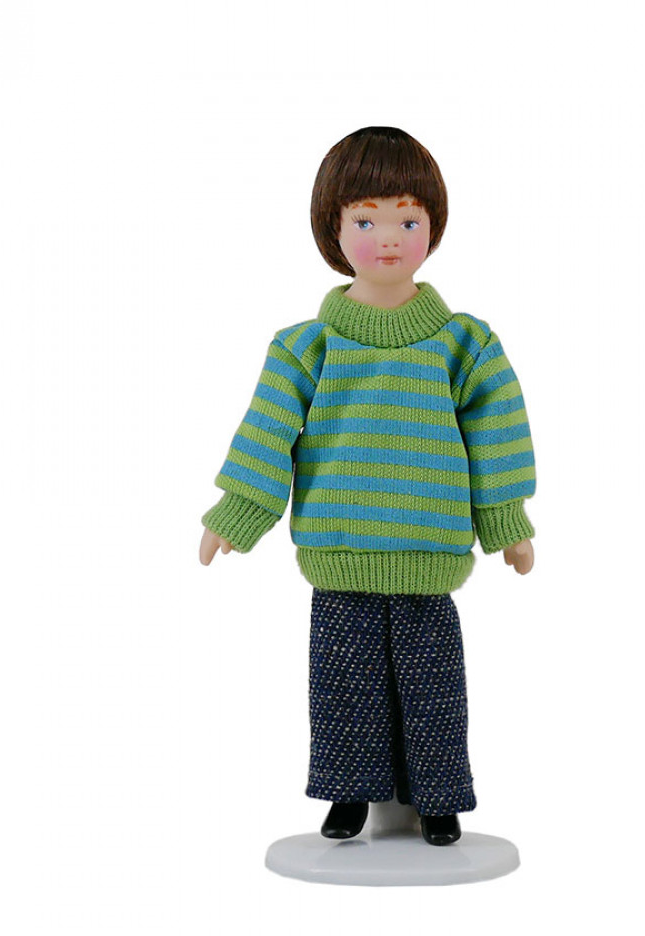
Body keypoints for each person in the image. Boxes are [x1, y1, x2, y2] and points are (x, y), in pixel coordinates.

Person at [199, 127, 536, 846]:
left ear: (434, 228)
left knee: (434, 690)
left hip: (428, 554)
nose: (388, 238)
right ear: (334, 228)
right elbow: (269, 432)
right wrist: (239, 510)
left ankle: (436, 798)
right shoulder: (307, 347)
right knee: (343, 687)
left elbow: (497, 432)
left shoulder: (464, 344)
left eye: (408, 221)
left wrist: (506, 521)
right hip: (340, 554)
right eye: (366, 220)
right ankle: (350, 794)